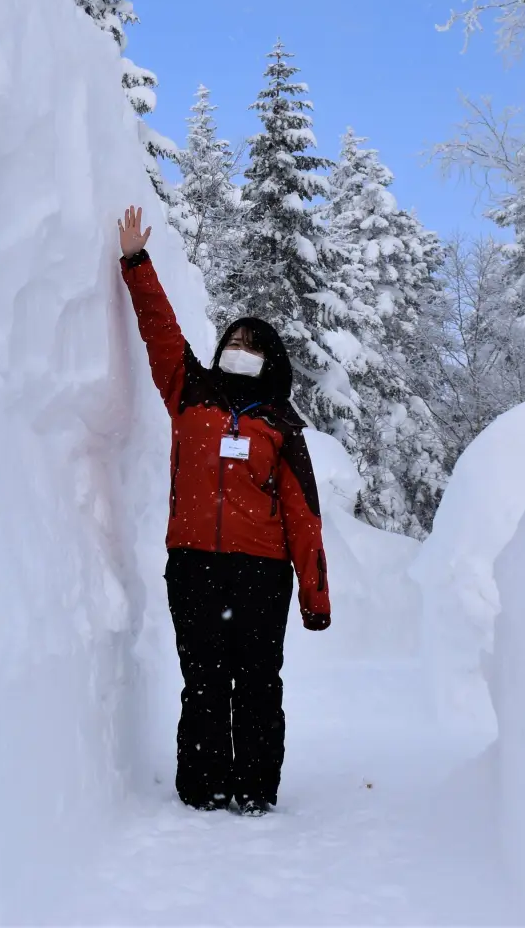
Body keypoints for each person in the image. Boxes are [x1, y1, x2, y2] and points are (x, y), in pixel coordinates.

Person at [116, 204, 331, 816]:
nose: (240, 350)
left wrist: (315, 596)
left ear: (271, 360)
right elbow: (160, 331)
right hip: (193, 565)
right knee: (205, 679)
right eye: (234, 341)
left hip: (262, 573)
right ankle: (204, 785)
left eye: (252, 346)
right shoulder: (190, 390)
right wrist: (136, 262)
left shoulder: (281, 424)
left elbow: (303, 516)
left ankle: (255, 788)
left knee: (257, 682)